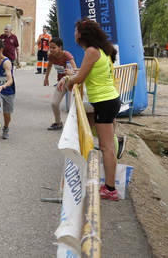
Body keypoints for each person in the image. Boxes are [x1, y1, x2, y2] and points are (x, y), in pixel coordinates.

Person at [62, 19, 122, 201]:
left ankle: (110, 189)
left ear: (82, 34)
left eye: (75, 31)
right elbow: (85, 72)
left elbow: (80, 77)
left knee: (106, 146)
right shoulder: (100, 50)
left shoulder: (91, 51)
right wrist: (71, 78)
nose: (74, 34)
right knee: (106, 144)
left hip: (105, 101)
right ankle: (106, 184)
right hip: (108, 100)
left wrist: (68, 82)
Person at [45, 37, 77, 130]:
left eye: (53, 47)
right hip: (61, 82)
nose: (51, 50)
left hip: (71, 81)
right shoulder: (51, 56)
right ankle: (58, 123)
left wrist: (68, 75)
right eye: (50, 47)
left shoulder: (66, 55)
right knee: (54, 103)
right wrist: (46, 77)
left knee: (73, 106)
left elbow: (75, 70)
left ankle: (74, 126)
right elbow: (49, 65)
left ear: (60, 47)